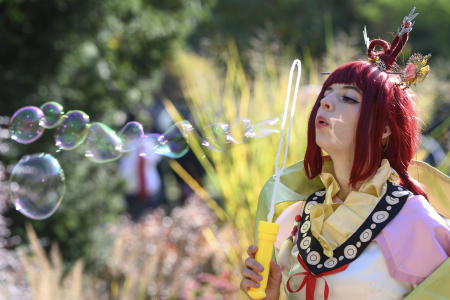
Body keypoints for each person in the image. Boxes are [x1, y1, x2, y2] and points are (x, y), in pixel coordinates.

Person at [240, 8, 450, 299]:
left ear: (385, 128)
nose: (325, 102)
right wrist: (269, 295)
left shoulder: (413, 220)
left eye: (348, 98)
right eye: (326, 93)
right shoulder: (298, 215)